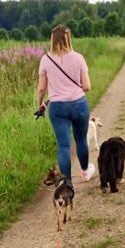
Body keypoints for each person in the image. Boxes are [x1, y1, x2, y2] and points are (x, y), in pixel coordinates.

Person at [36, 25, 95, 184]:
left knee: (63, 145)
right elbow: (87, 86)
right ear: (69, 39)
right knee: (81, 139)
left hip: (57, 107)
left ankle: (67, 184)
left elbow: (42, 88)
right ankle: (84, 171)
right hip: (78, 104)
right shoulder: (78, 58)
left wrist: (40, 104)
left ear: (52, 40)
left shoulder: (45, 60)